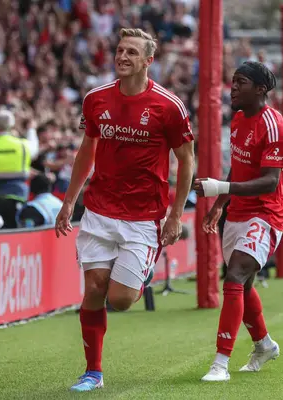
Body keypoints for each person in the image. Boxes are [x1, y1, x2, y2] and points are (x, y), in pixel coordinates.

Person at [55, 28, 195, 392]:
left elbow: (186, 160)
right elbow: (87, 150)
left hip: (143, 216)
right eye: (119, 51)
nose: (122, 57)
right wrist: (70, 200)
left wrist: (176, 214)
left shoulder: (169, 106)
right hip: (99, 210)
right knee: (94, 288)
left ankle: (141, 272)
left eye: (131, 52)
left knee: (120, 300)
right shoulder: (96, 99)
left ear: (149, 61)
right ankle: (93, 373)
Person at [194, 61, 283, 382]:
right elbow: (238, 168)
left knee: (234, 277)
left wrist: (221, 188)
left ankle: (220, 364)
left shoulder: (274, 125)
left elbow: (270, 181)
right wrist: (221, 203)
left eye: (241, 82)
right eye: (232, 82)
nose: (232, 87)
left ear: (260, 89)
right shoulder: (236, 120)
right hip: (237, 213)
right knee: (244, 286)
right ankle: (264, 344)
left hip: (265, 214)